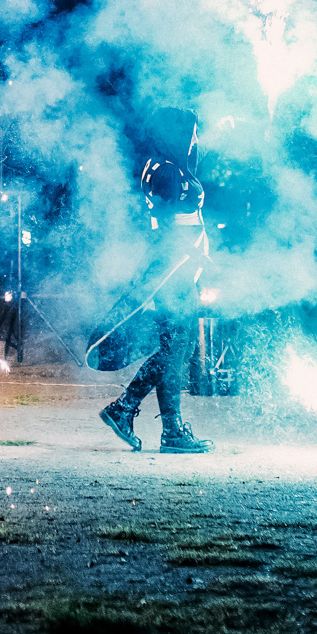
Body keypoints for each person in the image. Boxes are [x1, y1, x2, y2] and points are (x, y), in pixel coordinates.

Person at [94, 107, 213, 454]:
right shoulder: (168, 171)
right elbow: (162, 226)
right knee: (174, 349)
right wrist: (191, 254)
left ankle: (161, 425)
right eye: (192, 130)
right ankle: (131, 410)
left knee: (175, 349)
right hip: (173, 272)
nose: (196, 137)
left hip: (178, 269)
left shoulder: (170, 166)